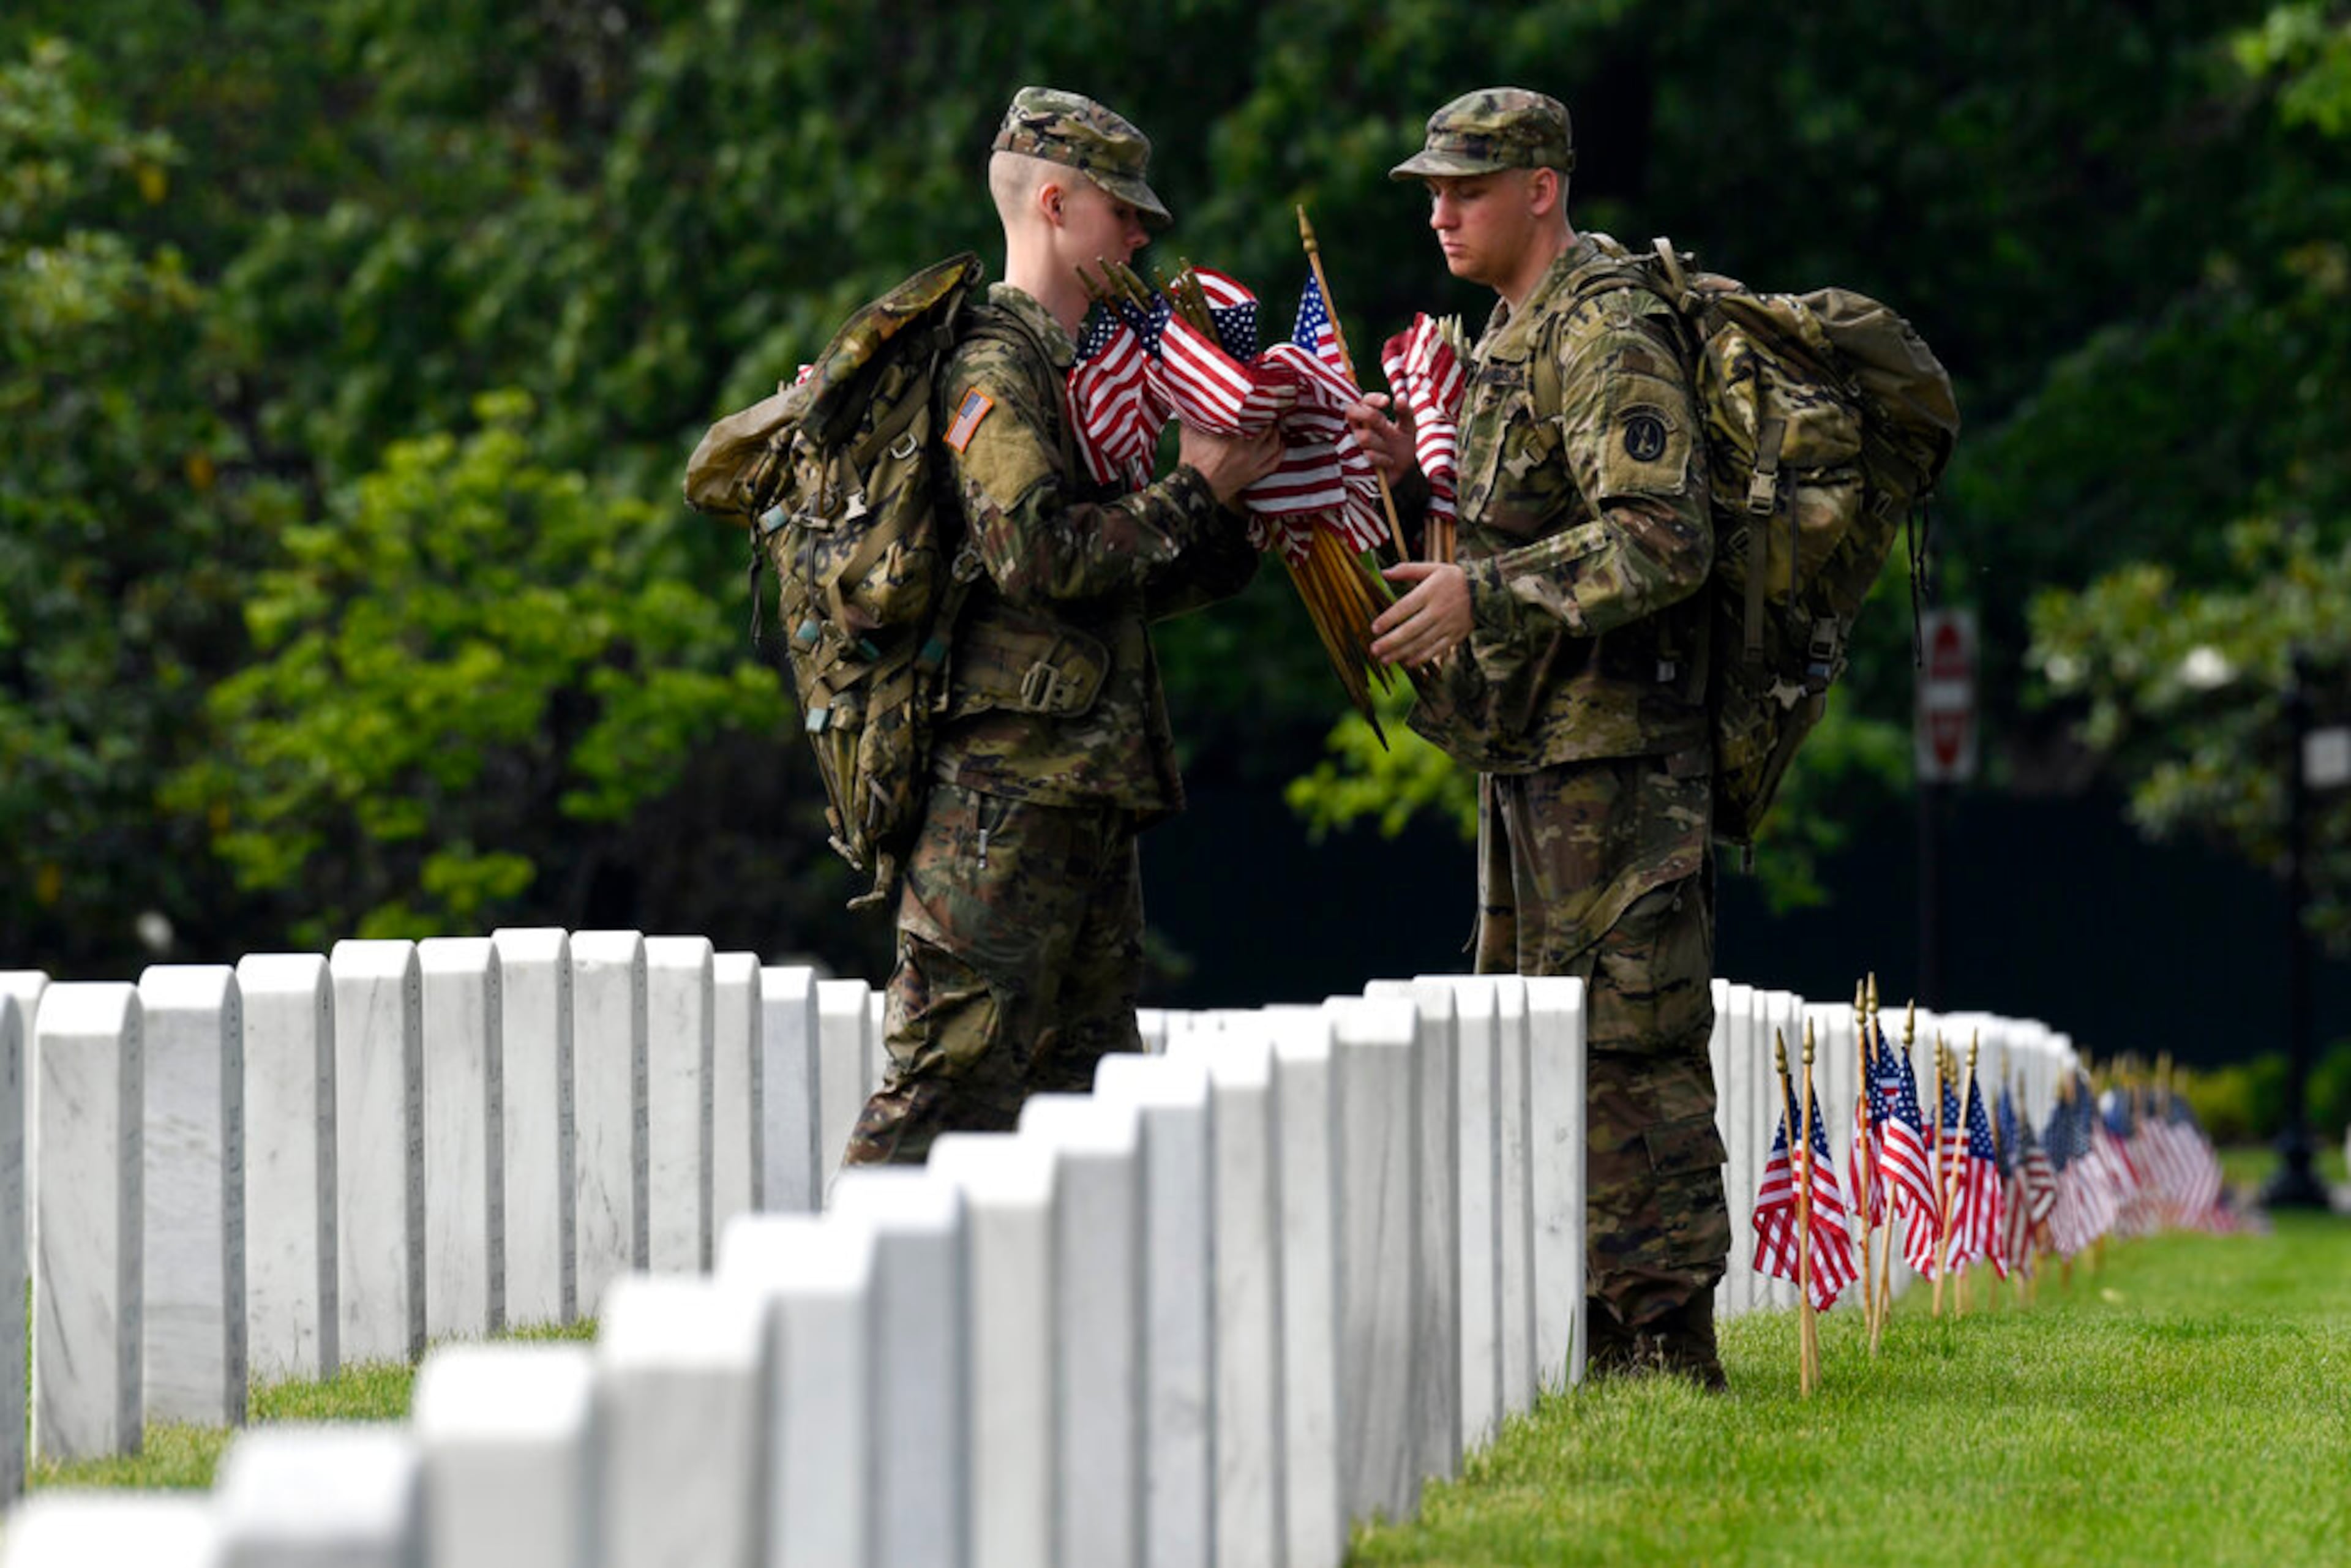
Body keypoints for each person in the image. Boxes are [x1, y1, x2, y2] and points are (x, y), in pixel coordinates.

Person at [1346, 88, 1731, 1387]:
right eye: (1434, 190)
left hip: (1618, 763)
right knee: (1553, 1040)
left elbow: (1666, 537)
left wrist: (1483, 594)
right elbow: (1510, 508)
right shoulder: (1510, 338)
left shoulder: (1606, 325)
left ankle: (1665, 1342)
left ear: (1543, 189)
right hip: (1538, 751)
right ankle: (1599, 1328)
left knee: (1633, 1045)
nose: (1441, 211)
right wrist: (1410, 465)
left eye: (1466, 186)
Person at [843, 87, 1284, 1166]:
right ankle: (828, 1323)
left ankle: (1037, 1338)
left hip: (1079, 788)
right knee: (949, 1084)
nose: (1140, 234)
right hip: (1000, 803)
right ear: (1052, 203)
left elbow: (1123, 581)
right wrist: (1193, 489)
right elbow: (1036, 556)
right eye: (1121, 211)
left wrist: (1233, 500)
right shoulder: (997, 365)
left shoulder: (1076, 371)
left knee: (1079, 1107)